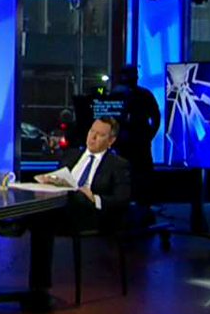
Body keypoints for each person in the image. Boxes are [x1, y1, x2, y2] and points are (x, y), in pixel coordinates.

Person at [28, 117, 133, 292]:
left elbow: (122, 198)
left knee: (51, 213)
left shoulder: (118, 165)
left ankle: (19, 224)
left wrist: (95, 198)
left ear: (111, 141)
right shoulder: (71, 155)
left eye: (100, 135)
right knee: (41, 219)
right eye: (92, 132)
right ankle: (39, 288)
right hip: (62, 210)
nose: (93, 137)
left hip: (91, 215)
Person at [112, 65, 161, 207]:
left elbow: (156, 116)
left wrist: (149, 135)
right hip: (132, 140)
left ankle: (139, 203)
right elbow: (156, 117)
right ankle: (140, 204)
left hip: (136, 140)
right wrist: (150, 134)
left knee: (139, 173)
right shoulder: (122, 95)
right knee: (136, 173)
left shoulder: (140, 94)